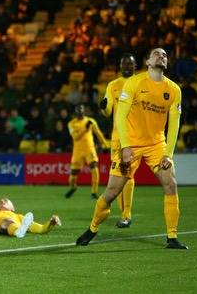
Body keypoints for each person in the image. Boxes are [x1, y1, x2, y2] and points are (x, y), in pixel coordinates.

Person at [76, 48, 188, 249]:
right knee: (111, 192)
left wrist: (168, 154)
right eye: (156, 54)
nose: (161, 56)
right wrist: (126, 146)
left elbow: (174, 124)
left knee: (170, 184)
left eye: (164, 55)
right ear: (147, 61)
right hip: (132, 144)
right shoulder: (134, 83)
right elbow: (119, 116)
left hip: (156, 145)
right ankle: (92, 228)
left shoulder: (174, 90)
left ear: (167, 62)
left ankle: (172, 237)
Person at [100, 53, 137, 228]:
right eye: (124, 64)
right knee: (118, 175)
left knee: (128, 173)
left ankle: (126, 214)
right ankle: (124, 215)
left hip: (134, 136)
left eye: (130, 64)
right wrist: (104, 106)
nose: (127, 67)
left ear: (135, 66)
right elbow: (107, 111)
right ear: (120, 67)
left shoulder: (141, 84)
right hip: (116, 138)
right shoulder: (113, 85)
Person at [65, 104, 109, 199]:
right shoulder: (71, 124)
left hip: (90, 149)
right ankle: (73, 187)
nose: (80, 114)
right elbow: (75, 137)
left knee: (94, 168)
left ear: (84, 112)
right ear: (75, 113)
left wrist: (106, 145)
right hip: (77, 152)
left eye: (81, 112)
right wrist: (85, 128)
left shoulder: (91, 121)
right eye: (78, 113)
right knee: (73, 175)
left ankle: (94, 192)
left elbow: (98, 133)